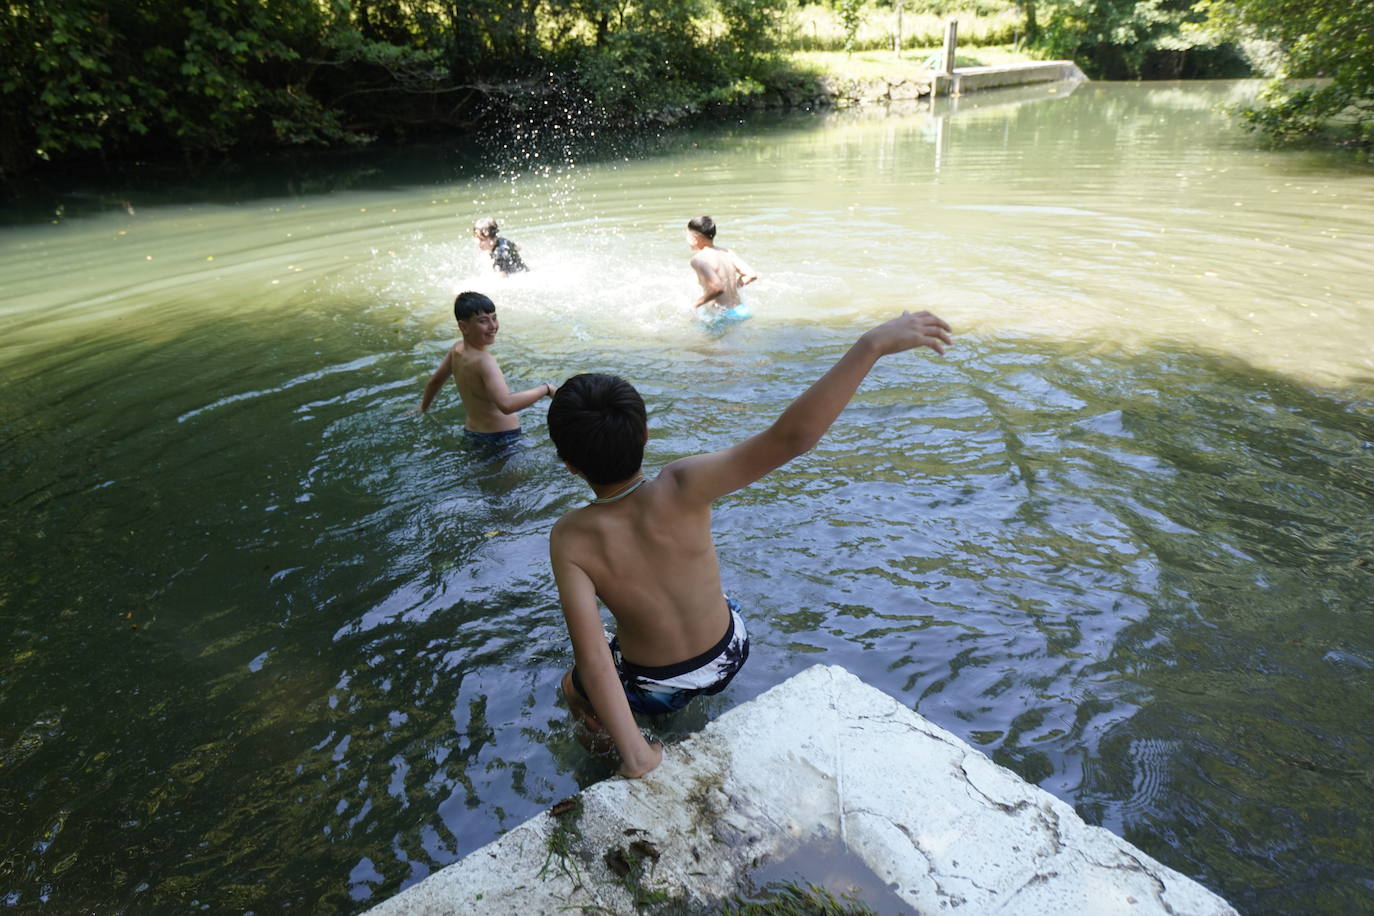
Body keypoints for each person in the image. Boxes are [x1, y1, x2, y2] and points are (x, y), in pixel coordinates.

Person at [546, 310, 954, 777]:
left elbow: (593, 658)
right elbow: (792, 437)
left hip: (657, 689)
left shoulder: (570, 536)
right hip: (730, 652)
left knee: (573, 687)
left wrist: (638, 754)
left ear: (569, 465)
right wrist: (870, 345)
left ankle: (609, 756)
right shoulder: (683, 483)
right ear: (644, 433)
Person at [411, 291, 554, 448]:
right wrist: (545, 389)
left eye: (494, 318)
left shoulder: (456, 350)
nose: (493, 326)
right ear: (463, 327)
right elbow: (506, 405)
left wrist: (423, 408)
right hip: (502, 438)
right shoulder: (485, 361)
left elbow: (435, 381)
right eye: (483, 321)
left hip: (472, 434)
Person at [686, 215, 757, 316]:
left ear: (695, 237)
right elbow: (751, 275)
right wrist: (733, 287)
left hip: (722, 316)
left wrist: (694, 305)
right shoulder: (727, 252)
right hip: (741, 310)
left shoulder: (698, 259)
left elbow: (717, 288)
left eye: (687, 235)